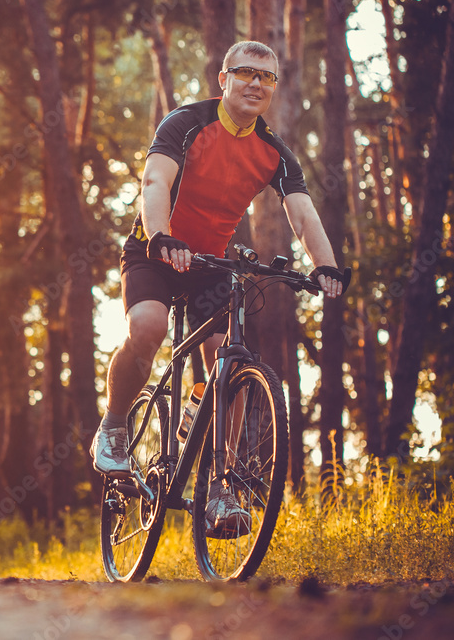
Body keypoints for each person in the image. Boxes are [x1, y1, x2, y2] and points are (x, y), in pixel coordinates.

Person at [89, 40, 347, 538]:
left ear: (272, 88)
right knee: (147, 325)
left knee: (226, 361)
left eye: (266, 77)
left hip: (209, 261)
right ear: (223, 79)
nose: (255, 84)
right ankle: (115, 427)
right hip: (155, 248)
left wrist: (326, 266)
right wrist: (161, 234)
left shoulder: (273, 151)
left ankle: (221, 485)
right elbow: (154, 181)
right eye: (245, 73)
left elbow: (301, 212)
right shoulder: (186, 123)